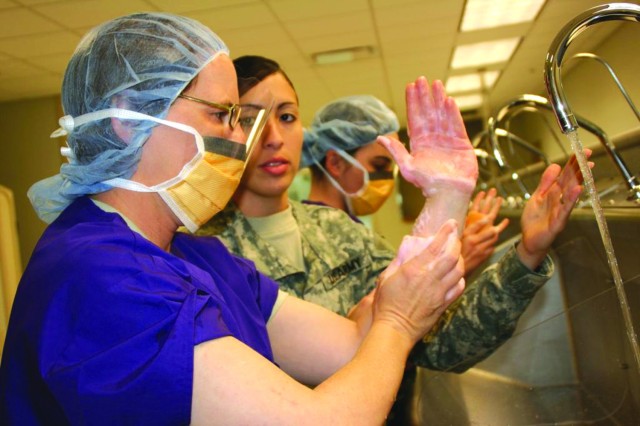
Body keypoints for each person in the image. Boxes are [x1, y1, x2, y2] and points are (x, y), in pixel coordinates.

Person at [0, 13, 470, 425]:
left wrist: (445, 202)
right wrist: (400, 321)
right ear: (129, 117)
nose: (238, 138)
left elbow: (352, 344)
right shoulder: (100, 279)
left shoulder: (194, 252)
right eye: (224, 114)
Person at [198, 55, 590, 372]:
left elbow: (441, 344)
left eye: (287, 116)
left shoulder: (339, 231)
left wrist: (526, 255)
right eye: (249, 119)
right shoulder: (199, 251)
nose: (274, 138)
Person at [300, 95, 510, 276]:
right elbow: (391, 316)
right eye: (379, 165)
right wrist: (455, 260)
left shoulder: (356, 233)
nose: (387, 179)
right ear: (336, 163)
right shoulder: (308, 240)